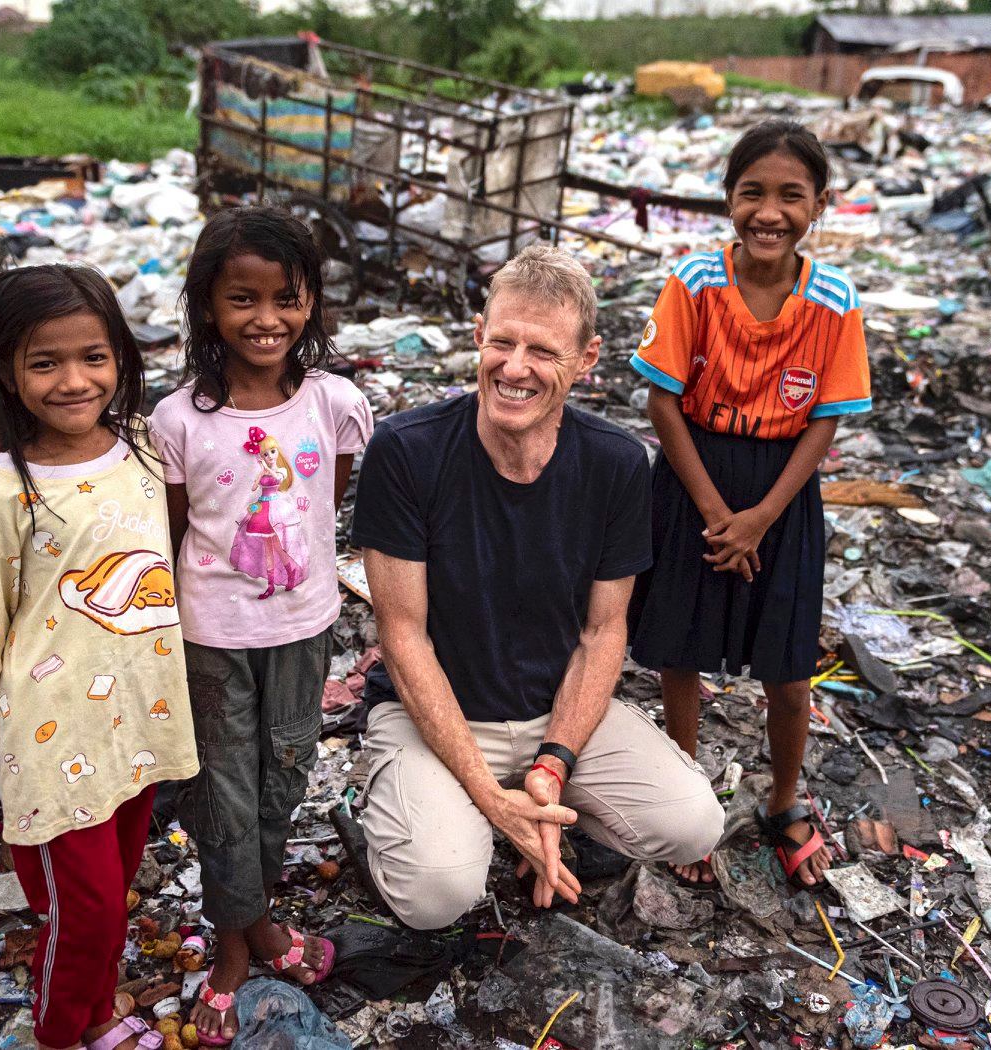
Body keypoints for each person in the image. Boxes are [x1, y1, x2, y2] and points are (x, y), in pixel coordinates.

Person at [350, 244, 725, 931]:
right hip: (437, 712)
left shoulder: (616, 465)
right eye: (502, 342)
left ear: (587, 360)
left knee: (694, 822)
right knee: (436, 897)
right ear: (478, 338)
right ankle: (442, 814)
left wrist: (553, 765)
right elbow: (402, 637)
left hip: (557, 710)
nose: (514, 368)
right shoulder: (407, 452)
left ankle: (538, 810)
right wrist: (492, 799)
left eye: (543, 351)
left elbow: (603, 631)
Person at [0, 264, 199, 1050]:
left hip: (139, 708)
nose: (74, 380)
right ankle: (63, 1030)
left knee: (113, 884)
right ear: (7, 373)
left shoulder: (141, 449)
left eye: (93, 357)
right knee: (89, 906)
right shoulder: (3, 491)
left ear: (121, 358)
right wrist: (13, 712)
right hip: (56, 728)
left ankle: (98, 1009)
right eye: (44, 362)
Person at [628, 119, 872, 891]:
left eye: (790, 196)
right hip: (695, 476)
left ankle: (785, 798)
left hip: (783, 493)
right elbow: (663, 403)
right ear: (729, 200)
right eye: (752, 193)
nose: (770, 212)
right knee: (682, 655)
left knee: (788, 666)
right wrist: (713, 511)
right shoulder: (695, 283)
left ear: (820, 206)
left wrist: (762, 516)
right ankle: (688, 801)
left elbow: (826, 417)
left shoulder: (833, 299)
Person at [150, 207, 372, 1044]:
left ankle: (252, 917)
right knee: (223, 791)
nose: (267, 319)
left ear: (311, 300)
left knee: (282, 776)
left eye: (287, 297)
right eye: (243, 299)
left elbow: (328, 501)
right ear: (209, 307)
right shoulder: (177, 421)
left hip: (305, 626)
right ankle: (240, 947)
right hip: (210, 634)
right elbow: (175, 532)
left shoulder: (336, 405)